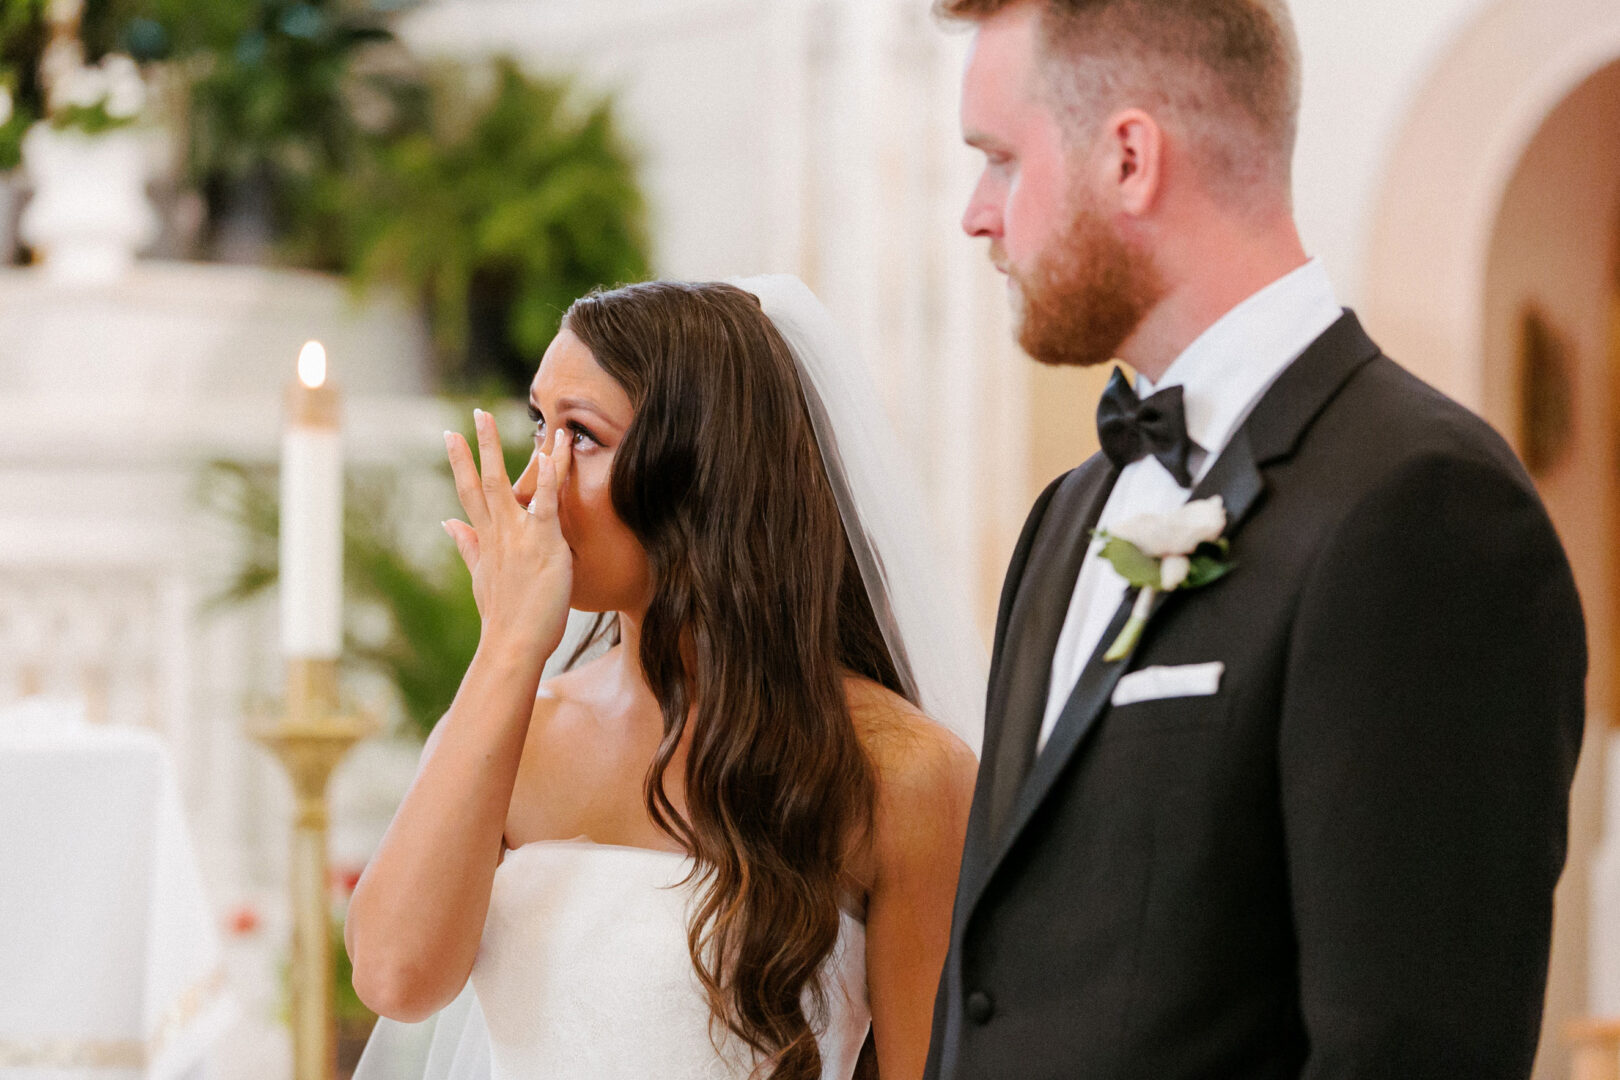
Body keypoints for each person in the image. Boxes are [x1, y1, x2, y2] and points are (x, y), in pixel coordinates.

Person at [926, 2, 1587, 1078]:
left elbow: (1412, 1052)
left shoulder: (1425, 509)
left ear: (1130, 158)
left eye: (999, 160)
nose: (976, 215)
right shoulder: (1064, 518)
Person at [345, 277, 983, 1080]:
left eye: (581, 436)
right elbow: (395, 977)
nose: (530, 488)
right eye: (539, 426)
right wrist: (507, 647)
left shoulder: (904, 776)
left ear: (705, 475)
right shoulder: (519, 726)